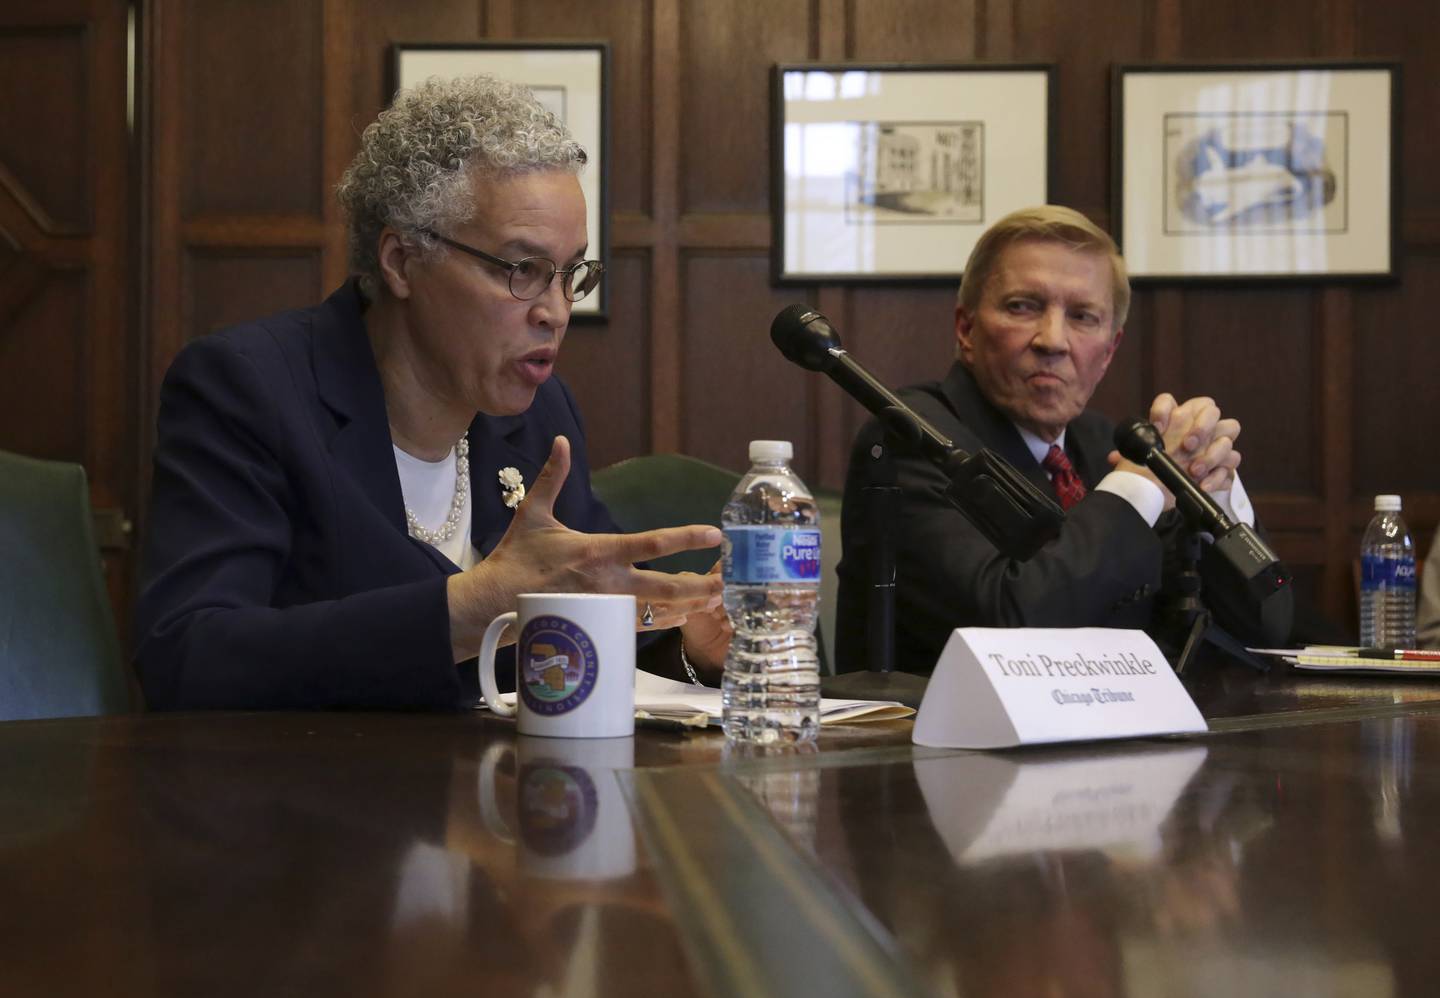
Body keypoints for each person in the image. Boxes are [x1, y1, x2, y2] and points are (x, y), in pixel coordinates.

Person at [135, 76, 730, 710]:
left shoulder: (540, 417)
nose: (556, 312)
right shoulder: (249, 388)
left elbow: (602, 624)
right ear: (400, 261)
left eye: (569, 274)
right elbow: (187, 654)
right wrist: (471, 607)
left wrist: (691, 640)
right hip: (311, 797)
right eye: (522, 270)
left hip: (513, 798)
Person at [835, 205, 1253, 676]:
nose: (1053, 340)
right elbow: (1010, 629)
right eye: (1023, 307)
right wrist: (1136, 491)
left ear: (1109, 351)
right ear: (966, 329)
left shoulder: (1102, 446)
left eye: (1082, 316)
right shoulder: (911, 437)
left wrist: (1216, 505)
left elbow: (1261, 630)